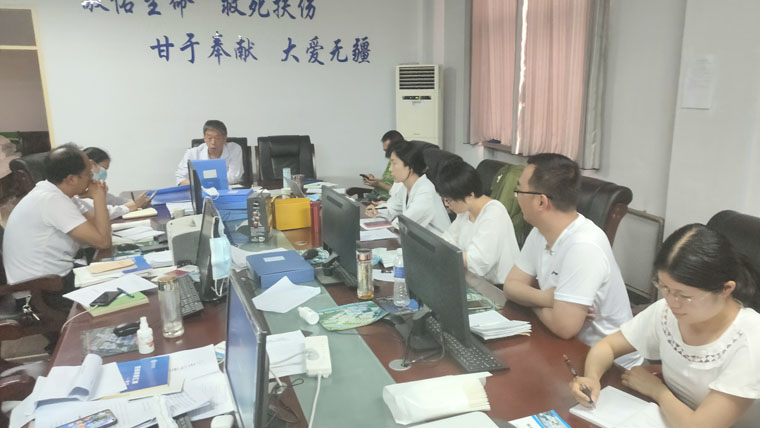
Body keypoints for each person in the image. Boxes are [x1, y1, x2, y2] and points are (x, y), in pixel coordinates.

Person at [571, 224, 760, 428]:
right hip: (667, 416)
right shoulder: (668, 312)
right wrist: (592, 378)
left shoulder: (750, 340)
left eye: (685, 296)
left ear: (726, 289)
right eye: (664, 288)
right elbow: (607, 346)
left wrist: (657, 391)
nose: (672, 302)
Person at [503, 153, 640, 367]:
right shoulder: (540, 231)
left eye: (519, 190)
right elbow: (511, 286)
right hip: (566, 349)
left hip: (610, 366)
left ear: (541, 201)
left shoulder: (583, 246)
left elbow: (564, 327)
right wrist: (547, 299)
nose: (516, 197)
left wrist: (529, 301)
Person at [3, 144, 111, 307]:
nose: (92, 179)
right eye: (88, 173)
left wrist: (98, 197)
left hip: (54, 280)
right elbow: (102, 241)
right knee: (115, 291)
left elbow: (97, 230)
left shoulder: (58, 193)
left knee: (112, 276)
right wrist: (99, 197)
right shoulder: (52, 200)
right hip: (41, 292)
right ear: (71, 179)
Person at [435, 158, 520, 284]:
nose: (446, 204)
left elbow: (478, 262)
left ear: (470, 195)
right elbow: (448, 239)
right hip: (472, 278)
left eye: (449, 199)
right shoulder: (465, 211)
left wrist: (448, 252)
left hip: (497, 287)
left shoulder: (493, 213)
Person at [365, 140, 450, 233]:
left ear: (410, 166)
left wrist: (387, 220)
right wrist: (376, 212)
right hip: (415, 238)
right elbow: (392, 208)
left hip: (436, 240)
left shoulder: (426, 192)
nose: (390, 169)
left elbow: (403, 223)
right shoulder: (405, 187)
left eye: (394, 163)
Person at [81, 147, 150, 219]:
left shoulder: (94, 188)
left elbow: (113, 201)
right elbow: (106, 213)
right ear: (90, 164)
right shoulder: (79, 193)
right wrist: (134, 204)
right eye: (103, 169)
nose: (104, 173)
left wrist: (138, 202)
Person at [175, 120, 243, 185]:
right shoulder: (192, 153)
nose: (213, 142)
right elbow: (181, 178)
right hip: (201, 189)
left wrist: (207, 181)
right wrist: (200, 184)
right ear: (204, 138)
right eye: (209, 138)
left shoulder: (234, 149)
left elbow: (234, 176)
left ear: (225, 139)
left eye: (217, 138)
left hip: (228, 188)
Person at [361, 130, 404, 201]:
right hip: (376, 196)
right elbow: (389, 181)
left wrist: (379, 184)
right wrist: (373, 180)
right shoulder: (392, 160)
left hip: (386, 201)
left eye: (388, 150)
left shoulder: (404, 164)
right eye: (385, 151)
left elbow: (399, 192)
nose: (387, 154)